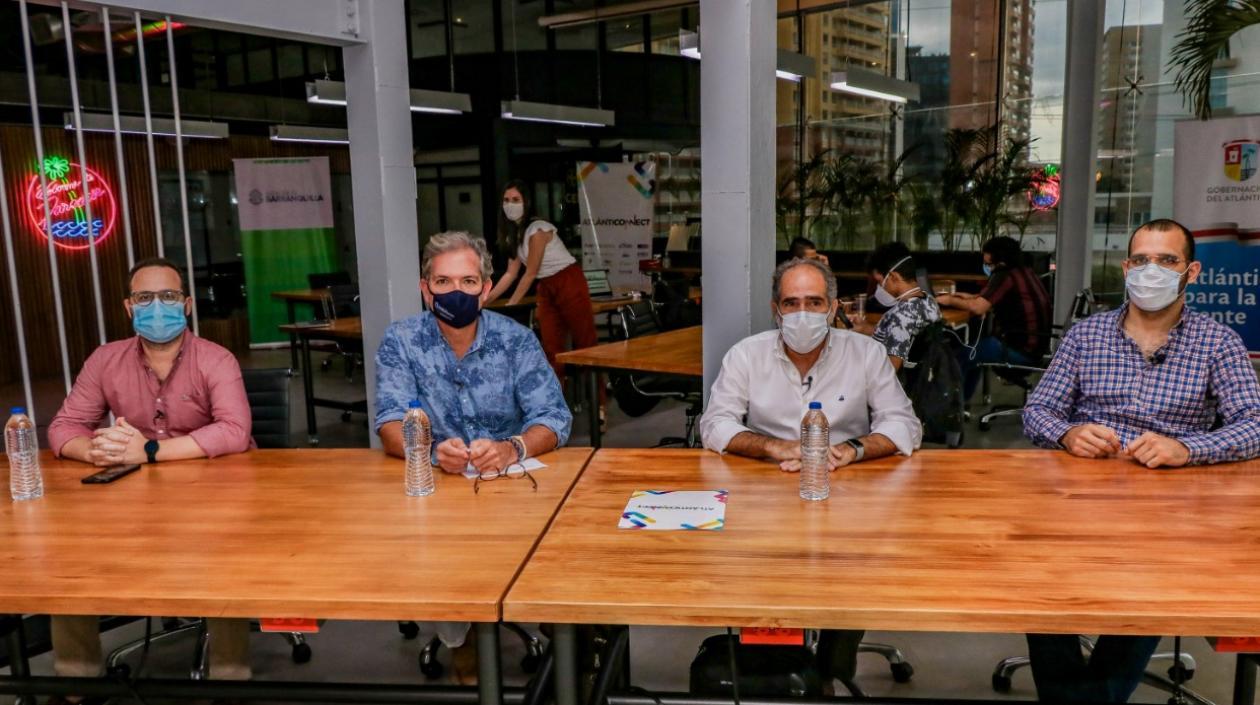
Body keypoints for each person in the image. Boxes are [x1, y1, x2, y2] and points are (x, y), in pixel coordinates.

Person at [1021, 218, 1260, 703]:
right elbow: (1037, 410)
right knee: (1033, 578)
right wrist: (1068, 433)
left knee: (1151, 586)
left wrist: (1189, 448)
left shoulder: (1219, 343)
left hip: (1169, 514)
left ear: (1191, 272)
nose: (1152, 271)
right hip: (1077, 502)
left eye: (1167, 261)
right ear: (1126, 268)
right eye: (1142, 260)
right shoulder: (1086, 337)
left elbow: (1254, 425)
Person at [698, 256, 922, 686]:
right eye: (792, 302)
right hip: (765, 497)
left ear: (833, 307)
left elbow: (904, 424)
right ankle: (778, 669)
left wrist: (854, 450)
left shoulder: (867, 353)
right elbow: (715, 424)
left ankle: (833, 665)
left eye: (815, 302)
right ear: (775, 309)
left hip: (846, 498)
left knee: (852, 573)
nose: (803, 313)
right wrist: (770, 446)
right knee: (760, 576)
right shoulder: (747, 355)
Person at [45, 257, 254, 698]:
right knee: (69, 566)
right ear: (128, 307)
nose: (156, 306)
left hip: (214, 497)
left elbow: (235, 431)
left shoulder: (216, 359)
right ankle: (76, 683)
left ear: (188, 304)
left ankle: (230, 681)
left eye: (168, 296)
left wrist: (150, 452)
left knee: (227, 566)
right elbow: (63, 428)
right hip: (130, 502)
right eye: (144, 298)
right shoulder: (106, 359)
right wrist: (95, 450)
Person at [375, 230, 573, 683]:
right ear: (426, 289)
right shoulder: (402, 341)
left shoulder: (516, 340)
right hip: (436, 486)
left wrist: (513, 448)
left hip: (512, 486)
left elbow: (554, 417)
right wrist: (426, 450)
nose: (456, 292)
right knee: (440, 548)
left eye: (468, 282)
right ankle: (459, 642)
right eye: (443, 282)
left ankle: (551, 627)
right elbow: (389, 422)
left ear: (486, 288)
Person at [486, 179, 598, 390]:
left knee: (585, 342)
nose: (510, 204)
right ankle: (555, 404)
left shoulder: (537, 229)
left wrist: (511, 307)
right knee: (551, 346)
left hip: (568, 280)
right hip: (546, 286)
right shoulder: (513, 235)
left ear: (526, 202)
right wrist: (485, 299)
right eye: (506, 200)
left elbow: (529, 274)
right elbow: (510, 274)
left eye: (516, 200)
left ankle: (598, 403)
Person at [936, 235, 1052, 400]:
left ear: (999, 258)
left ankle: (949, 407)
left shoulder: (1004, 275)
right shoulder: (1025, 272)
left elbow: (978, 308)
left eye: (987, 257)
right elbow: (986, 298)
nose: (985, 261)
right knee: (974, 353)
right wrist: (961, 297)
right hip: (1035, 348)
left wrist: (948, 300)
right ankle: (961, 403)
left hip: (1018, 350)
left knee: (963, 355)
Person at [846, 242, 942, 370]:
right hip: (925, 378)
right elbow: (901, 334)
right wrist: (866, 329)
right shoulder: (929, 302)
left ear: (893, 276)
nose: (880, 288)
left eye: (880, 282)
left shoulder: (899, 316)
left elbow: (889, 371)